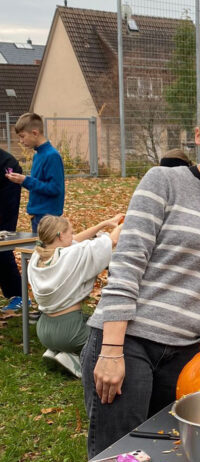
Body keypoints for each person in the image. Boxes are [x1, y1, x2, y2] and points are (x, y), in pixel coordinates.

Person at [82, 95, 200, 458]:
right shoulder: (163, 182)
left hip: (186, 353)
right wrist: (113, 351)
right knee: (119, 461)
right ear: (198, 135)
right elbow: (128, 265)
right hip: (129, 341)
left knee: (171, 458)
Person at [27, 214, 123, 378]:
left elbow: (74, 242)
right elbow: (111, 241)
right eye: (70, 233)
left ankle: (55, 350)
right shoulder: (73, 255)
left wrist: (102, 224)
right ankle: (74, 357)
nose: (73, 237)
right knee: (112, 340)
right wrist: (125, 223)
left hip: (43, 329)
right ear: (60, 235)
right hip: (70, 332)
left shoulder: (37, 257)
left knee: (89, 322)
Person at [5, 113, 65, 233]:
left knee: (45, 251)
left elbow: (55, 188)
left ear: (35, 133)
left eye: (22, 136)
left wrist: (25, 180)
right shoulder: (38, 155)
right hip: (38, 215)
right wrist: (22, 181)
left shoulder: (51, 156)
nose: (21, 141)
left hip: (48, 218)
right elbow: (38, 184)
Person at [0, 148, 24, 311]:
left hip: (4, 204)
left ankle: (18, 295)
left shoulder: (8, 164)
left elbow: (8, 206)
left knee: (3, 247)